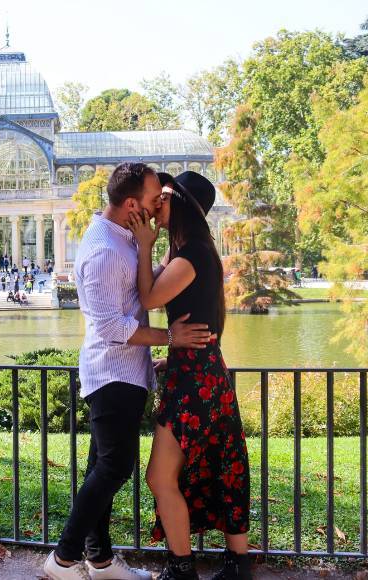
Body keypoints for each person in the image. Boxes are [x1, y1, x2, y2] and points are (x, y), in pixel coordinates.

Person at [43, 163, 215, 580]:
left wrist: (149, 251)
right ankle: (62, 559)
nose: (159, 206)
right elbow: (110, 328)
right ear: (132, 204)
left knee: (100, 468)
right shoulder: (104, 249)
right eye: (156, 199)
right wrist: (171, 338)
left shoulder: (123, 240)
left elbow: (147, 288)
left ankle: (99, 560)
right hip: (112, 375)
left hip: (127, 374)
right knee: (116, 467)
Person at [129, 171, 251, 580]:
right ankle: (235, 566)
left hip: (195, 383)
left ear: (177, 202)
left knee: (159, 477)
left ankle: (182, 568)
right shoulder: (191, 251)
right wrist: (173, 355)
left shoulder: (190, 255)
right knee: (222, 465)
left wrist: (144, 246)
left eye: (161, 196)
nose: (154, 204)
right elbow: (190, 319)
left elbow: (149, 297)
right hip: (199, 372)